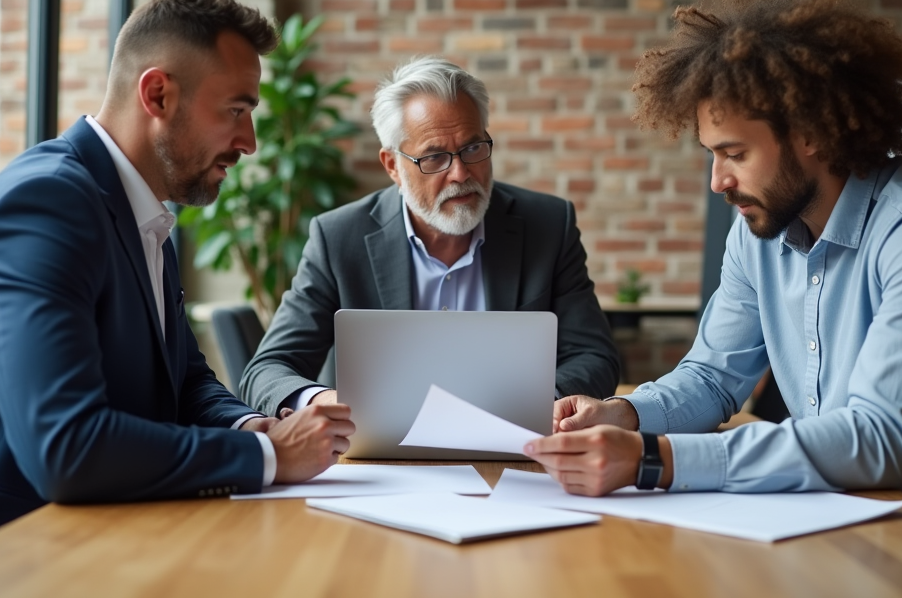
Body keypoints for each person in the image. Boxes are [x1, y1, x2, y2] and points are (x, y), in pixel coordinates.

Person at [524, 0, 902, 551]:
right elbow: (712, 377)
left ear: (812, 134)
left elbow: (879, 442)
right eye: (712, 154)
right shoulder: (760, 230)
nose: (717, 182)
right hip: (853, 514)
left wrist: (656, 459)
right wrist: (625, 414)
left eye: (735, 154)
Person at [0, 0, 354, 545]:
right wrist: (268, 454)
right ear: (157, 96)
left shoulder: (142, 217)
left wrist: (252, 424)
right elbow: (66, 448)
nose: (248, 141)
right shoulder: (41, 207)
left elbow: (185, 380)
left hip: (91, 536)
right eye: (235, 110)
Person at [240, 56, 620, 416]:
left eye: (472, 148)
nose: (460, 174)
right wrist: (325, 402)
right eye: (434, 157)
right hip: (379, 457)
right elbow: (268, 370)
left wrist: (533, 406)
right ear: (392, 165)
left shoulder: (548, 225)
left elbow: (594, 356)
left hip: (514, 447)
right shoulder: (339, 238)